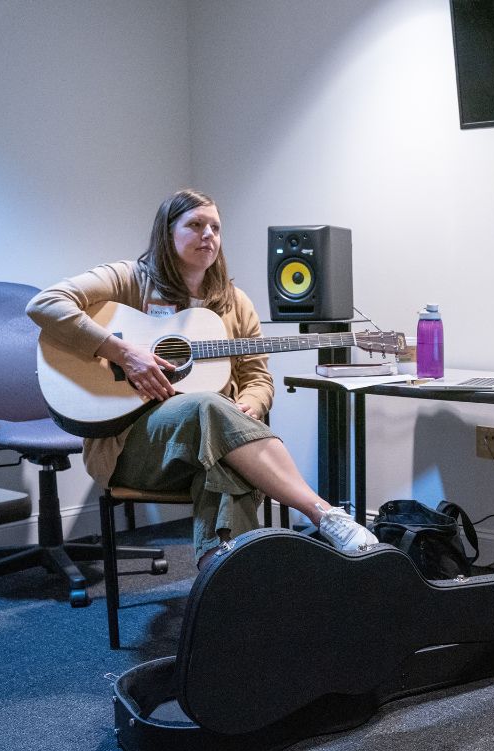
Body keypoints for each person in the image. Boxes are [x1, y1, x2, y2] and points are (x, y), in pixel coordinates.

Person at [27, 188, 377, 569]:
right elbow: (44, 304)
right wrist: (123, 353)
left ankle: (225, 584)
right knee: (209, 407)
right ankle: (323, 513)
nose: (208, 235)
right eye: (195, 225)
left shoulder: (234, 302)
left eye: (215, 227)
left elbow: (258, 379)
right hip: (130, 447)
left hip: (208, 442)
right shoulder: (128, 279)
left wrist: (251, 405)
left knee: (226, 456)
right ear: (167, 232)